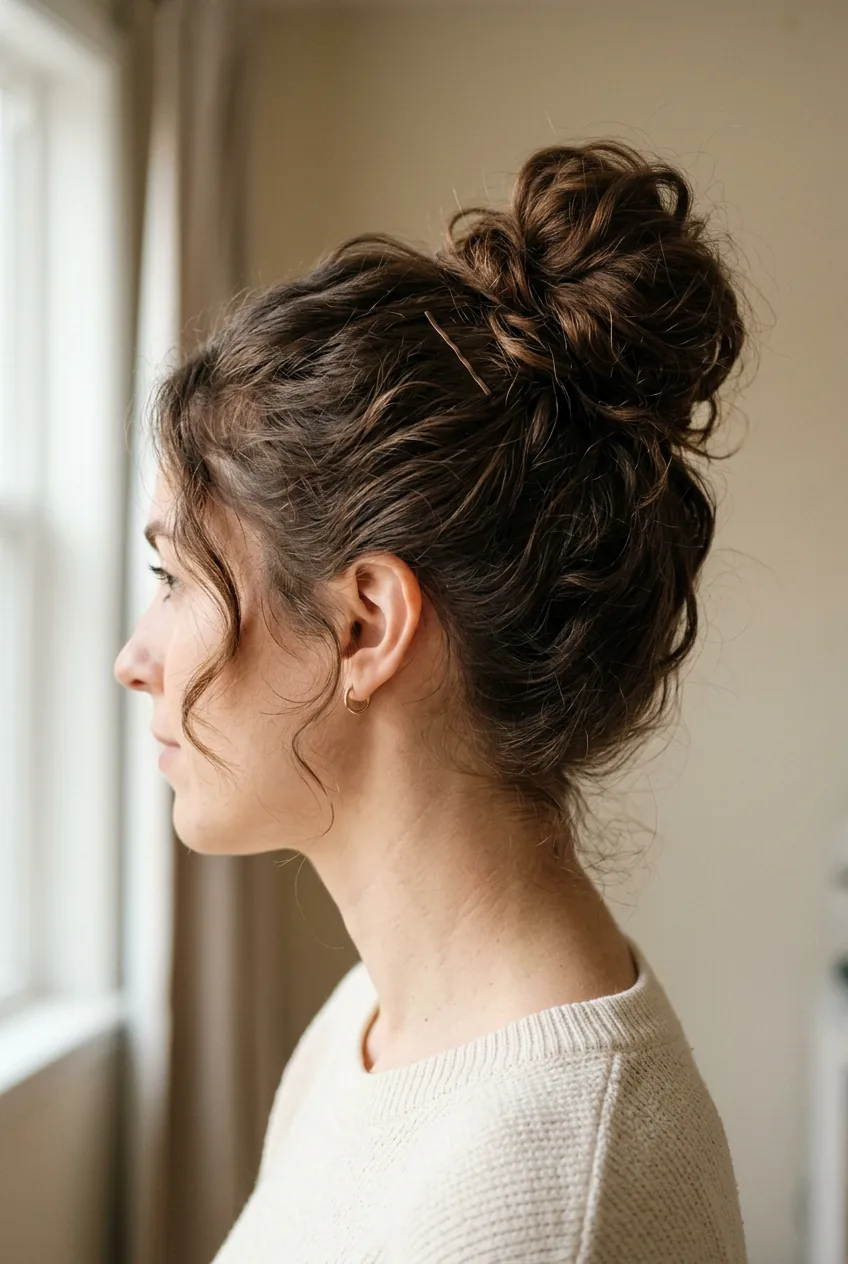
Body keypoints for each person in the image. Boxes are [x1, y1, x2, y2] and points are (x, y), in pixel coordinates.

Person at [115, 139, 749, 1263]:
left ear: (365, 624)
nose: (134, 656)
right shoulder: (373, 1024)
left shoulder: (540, 1200)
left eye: (174, 580)